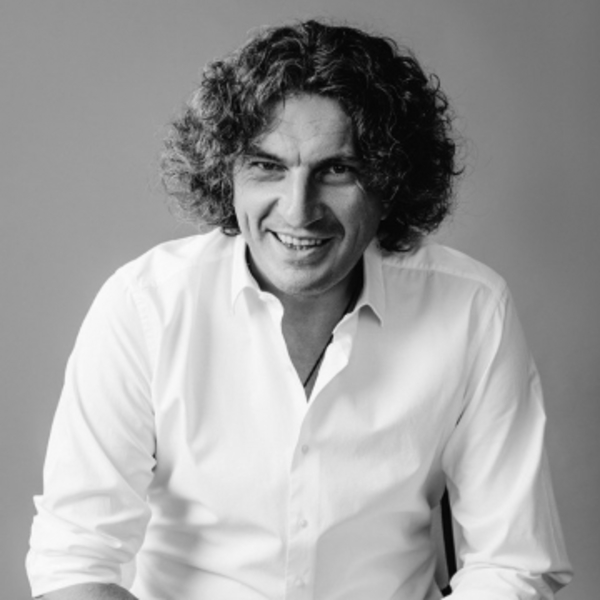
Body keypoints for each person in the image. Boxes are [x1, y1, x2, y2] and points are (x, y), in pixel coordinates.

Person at [27, 19, 572, 600]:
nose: (297, 210)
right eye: (267, 166)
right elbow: (76, 562)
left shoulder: (472, 309)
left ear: (390, 180)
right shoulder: (144, 307)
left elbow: (512, 562)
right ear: (227, 174)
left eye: (337, 169)